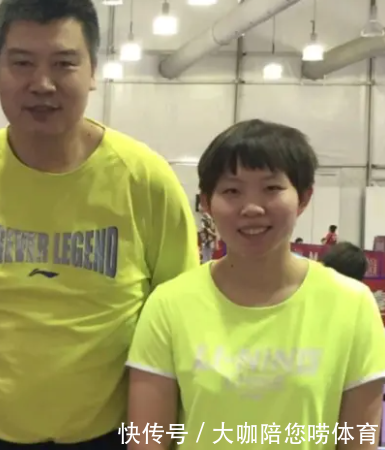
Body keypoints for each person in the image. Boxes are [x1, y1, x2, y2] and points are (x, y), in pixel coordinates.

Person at [0, 0, 199, 449]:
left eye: (64, 63)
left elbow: (179, 323)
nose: (42, 84)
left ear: (93, 72)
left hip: (111, 436)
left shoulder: (146, 182)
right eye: (22, 63)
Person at [126, 119, 385, 450]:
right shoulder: (169, 305)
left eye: (271, 188)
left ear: (304, 197)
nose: (251, 208)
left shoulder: (352, 304)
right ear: (207, 202)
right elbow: (148, 440)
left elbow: (358, 440)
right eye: (232, 191)